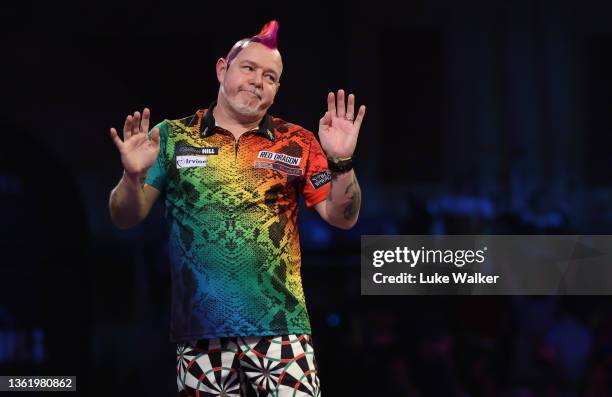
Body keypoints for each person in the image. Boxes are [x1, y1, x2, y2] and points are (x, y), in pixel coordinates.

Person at [108, 20, 364, 397]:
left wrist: (342, 162)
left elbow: (343, 218)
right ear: (222, 69)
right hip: (201, 338)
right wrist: (132, 178)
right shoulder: (171, 137)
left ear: (276, 91)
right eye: (249, 68)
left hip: (283, 331)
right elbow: (124, 217)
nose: (258, 81)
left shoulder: (298, 142)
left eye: (270, 77)